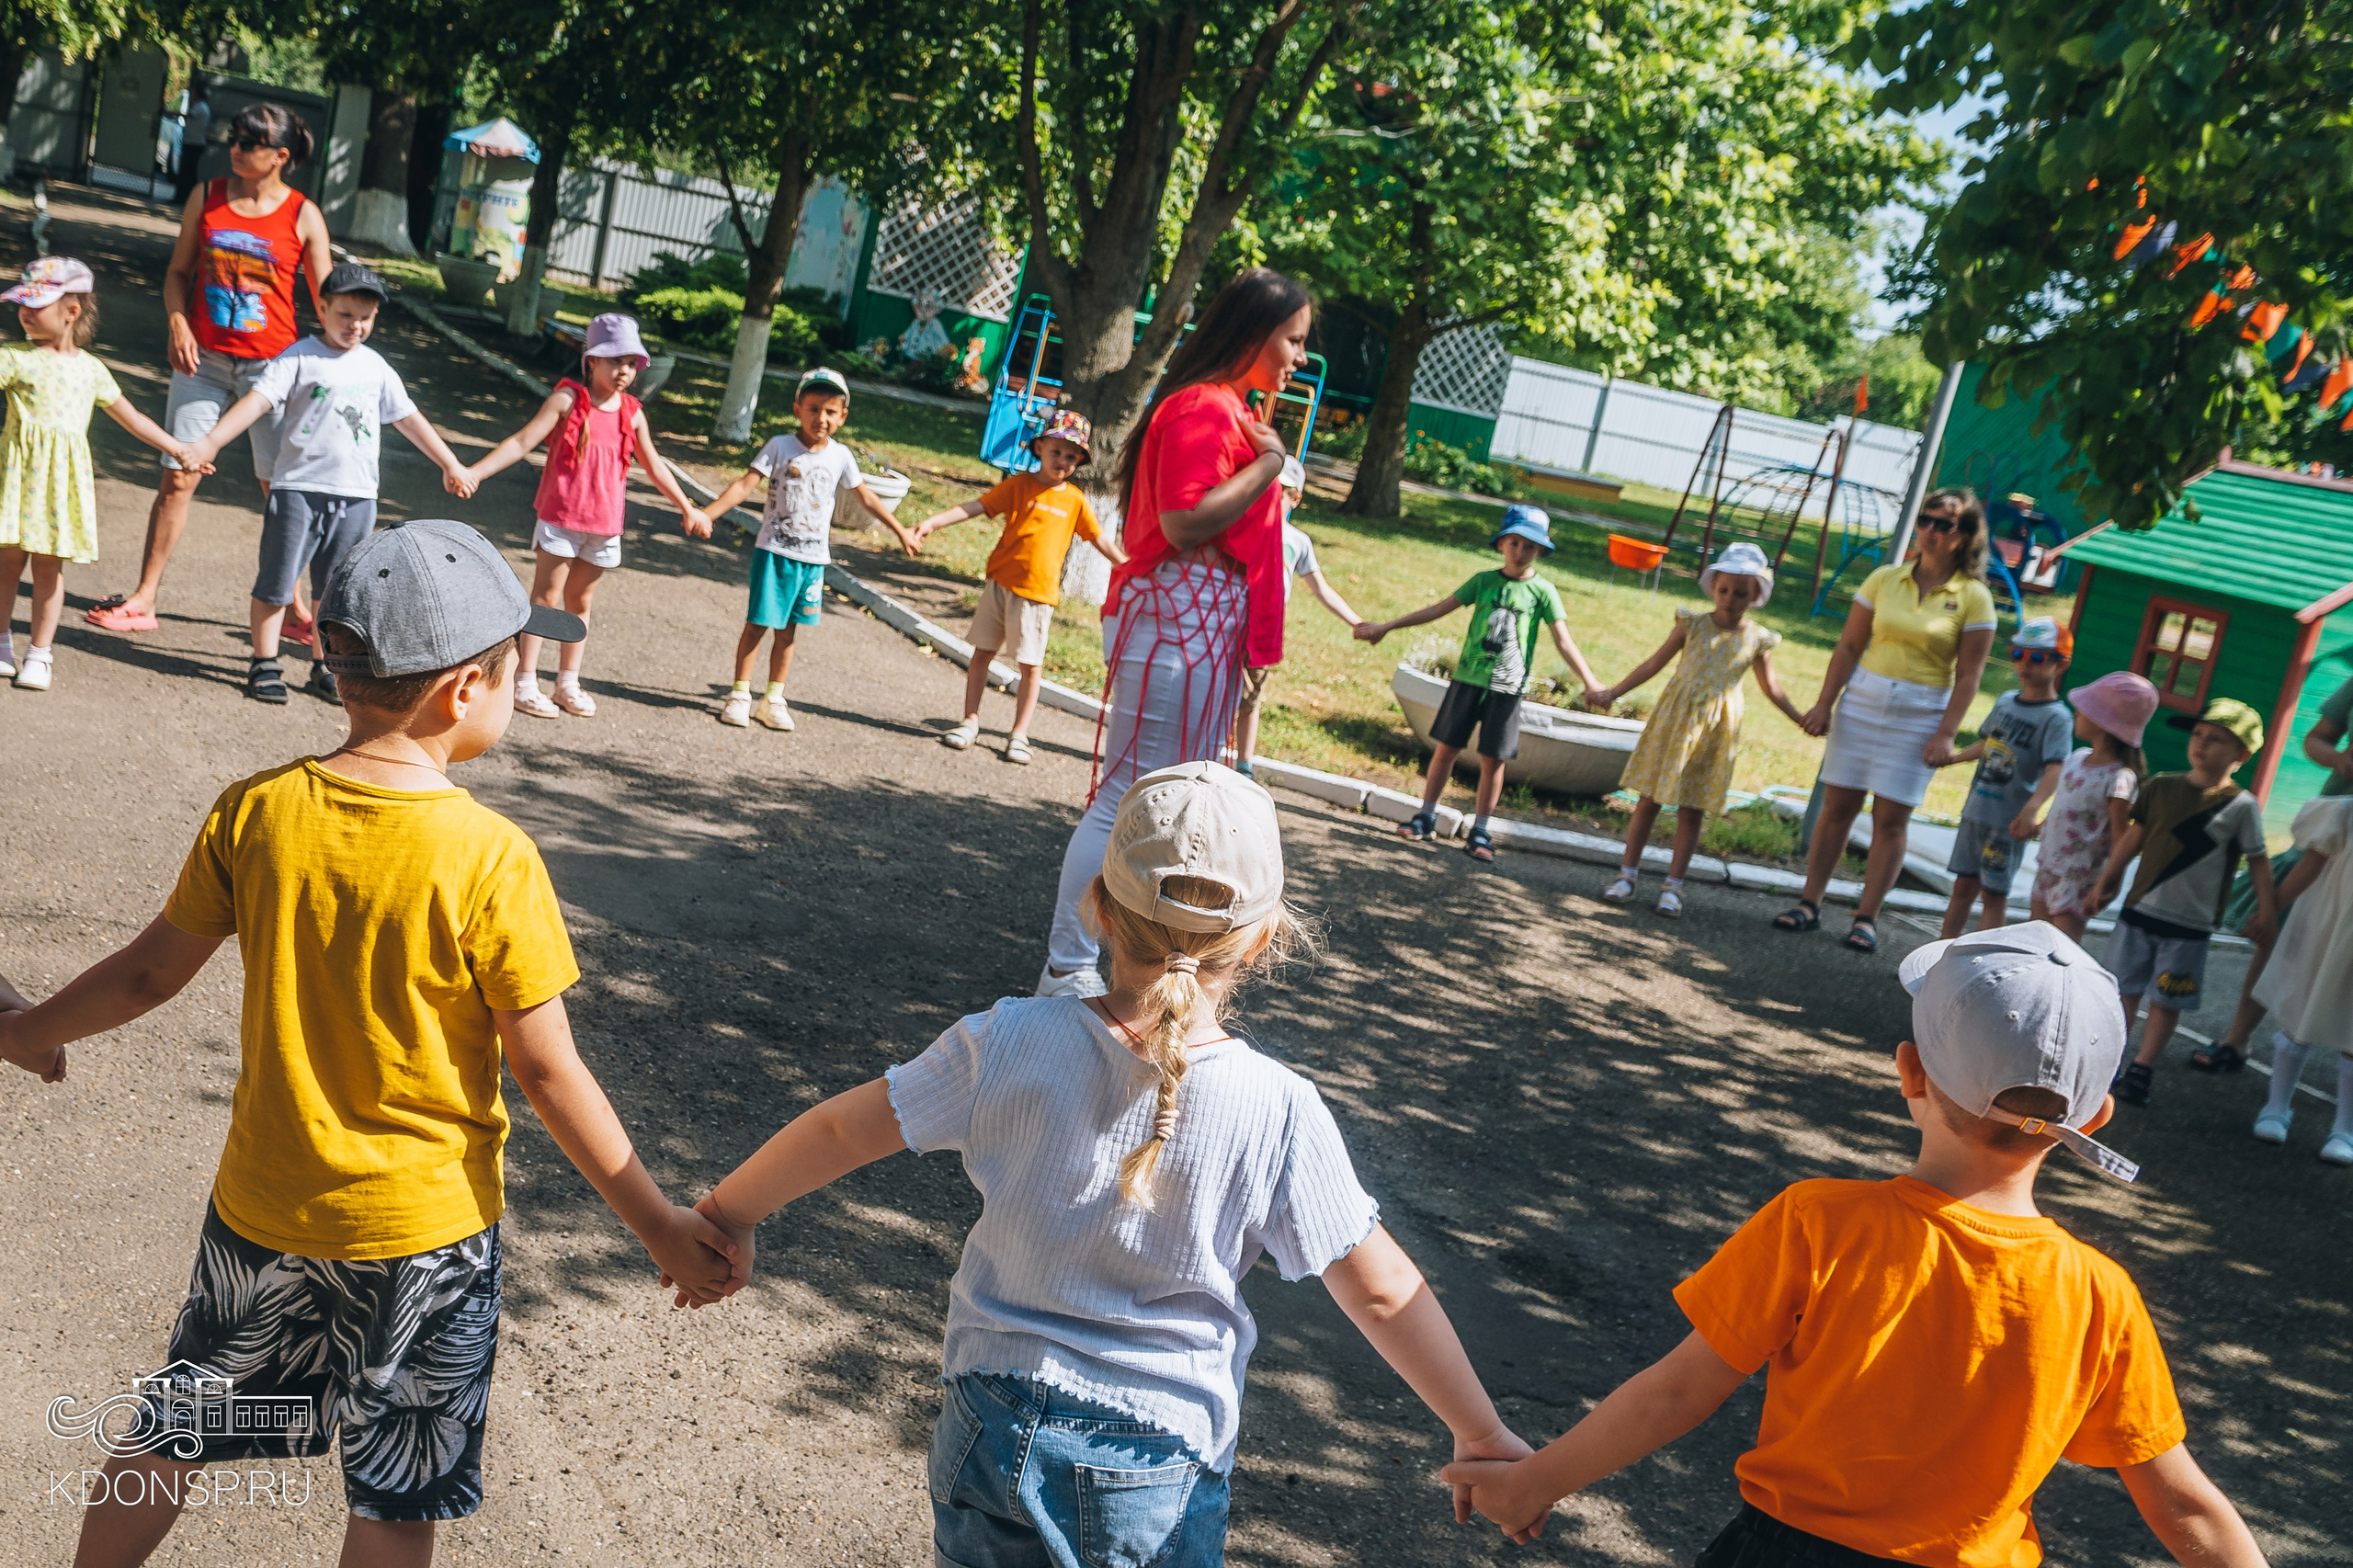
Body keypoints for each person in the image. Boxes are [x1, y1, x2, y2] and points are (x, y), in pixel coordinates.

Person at [0, 520, 738, 1568]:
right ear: (463, 690)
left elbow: (145, 972)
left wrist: (27, 1031)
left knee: (180, 1425)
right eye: (514, 661)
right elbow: (544, 1067)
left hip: (266, 1209)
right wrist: (659, 1222)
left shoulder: (257, 812)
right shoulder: (492, 859)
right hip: (425, 1241)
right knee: (396, 1497)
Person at [689, 762, 1531, 1563]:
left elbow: (842, 1133)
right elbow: (1382, 1291)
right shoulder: (1278, 1108)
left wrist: (727, 1214)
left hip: (988, 1417)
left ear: (1096, 904)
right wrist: (1483, 1434)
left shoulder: (1007, 1040)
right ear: (1266, 938)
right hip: (1151, 1459)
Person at [1443, 922, 2268, 1568]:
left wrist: (1531, 1485)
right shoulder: (2101, 1296)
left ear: (1910, 1072)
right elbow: (2181, 1502)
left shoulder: (1819, 1223)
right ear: (2092, 1121)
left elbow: (1677, 1393)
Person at [1038, 268, 1313, 998]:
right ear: (1253, 333)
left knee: (1158, 796)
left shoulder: (1226, 408)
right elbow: (1187, 522)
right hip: (1179, 622)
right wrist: (1273, 464)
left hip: (1192, 624)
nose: (1297, 357)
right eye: (1292, 339)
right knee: (1130, 794)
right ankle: (1068, 965)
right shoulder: (1205, 408)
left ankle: (1130, 959)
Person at [183, 262, 477, 706]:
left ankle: (324, 665)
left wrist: (451, 463)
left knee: (336, 589)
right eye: (345, 315)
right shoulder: (300, 357)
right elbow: (257, 402)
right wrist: (210, 442)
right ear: (322, 309)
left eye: (366, 317)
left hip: (357, 497)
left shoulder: (376, 367)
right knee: (277, 582)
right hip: (298, 488)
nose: (355, 326)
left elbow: (409, 419)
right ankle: (264, 662)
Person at [90, 101, 333, 636]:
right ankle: (145, 598)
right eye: (235, 138)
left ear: (281, 156)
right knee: (177, 477)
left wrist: (340, 365)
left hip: (273, 373)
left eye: (250, 142)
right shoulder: (208, 196)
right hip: (202, 363)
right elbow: (178, 273)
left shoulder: (302, 214)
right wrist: (178, 322)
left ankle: (293, 610)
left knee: (280, 489)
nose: (237, 148)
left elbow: (327, 305)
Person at [1774, 487, 1998, 954]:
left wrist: (1946, 733)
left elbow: (1970, 673)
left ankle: (1866, 917)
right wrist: (1824, 703)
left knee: (1890, 818)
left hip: (1920, 711)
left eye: (1944, 524)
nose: (1931, 531)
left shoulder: (1974, 597)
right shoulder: (1884, 578)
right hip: (1864, 700)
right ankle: (1810, 901)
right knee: (1837, 806)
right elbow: (1849, 645)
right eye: (1925, 520)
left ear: (1964, 537)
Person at [461, 312, 712, 719]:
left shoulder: (632, 412)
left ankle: (567, 682)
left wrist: (688, 507)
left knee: (580, 601)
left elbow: (655, 466)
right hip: (561, 518)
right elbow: (523, 441)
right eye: (615, 361)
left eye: (631, 363)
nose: (624, 371)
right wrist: (476, 471)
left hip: (603, 525)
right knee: (545, 597)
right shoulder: (567, 400)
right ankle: (524, 681)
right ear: (591, 359)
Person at [1356, 506, 1603, 863]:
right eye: (1515, 542)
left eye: (1530, 547)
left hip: (1507, 689)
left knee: (1493, 759)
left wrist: (1590, 681)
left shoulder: (1543, 592)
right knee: (1447, 748)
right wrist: (1386, 626)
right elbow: (1438, 609)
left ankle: (1481, 828)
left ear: (1541, 552)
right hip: (1468, 681)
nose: (1521, 552)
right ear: (1502, 543)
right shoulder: (1483, 582)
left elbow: (1564, 640)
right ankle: (1426, 815)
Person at [0, 258, 203, 693]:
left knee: (49, 572)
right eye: (23, 304)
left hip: (57, 490)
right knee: (7, 566)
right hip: (16, 484)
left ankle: (39, 652)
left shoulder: (91, 370)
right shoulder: (14, 359)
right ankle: (2, 645)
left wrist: (179, 449)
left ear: (71, 312)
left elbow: (134, 419)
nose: (25, 313)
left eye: (37, 305)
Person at [1590, 540, 1803, 916]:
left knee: (1692, 807)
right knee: (1649, 798)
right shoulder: (1692, 625)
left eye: (1741, 593)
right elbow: (1653, 664)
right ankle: (1627, 874)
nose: (1730, 599)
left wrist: (1800, 718)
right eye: (1724, 590)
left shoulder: (1756, 639)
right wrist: (1614, 692)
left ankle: (1674, 885)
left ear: (1755, 596)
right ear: (1712, 587)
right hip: (1675, 720)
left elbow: (1772, 688)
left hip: (1715, 729)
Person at [705, 367, 917, 732]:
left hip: (812, 561)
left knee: (789, 631)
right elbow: (745, 485)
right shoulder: (779, 446)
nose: (821, 418)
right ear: (797, 409)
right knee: (758, 625)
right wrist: (706, 513)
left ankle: (773, 698)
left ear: (842, 417)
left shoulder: (841, 456)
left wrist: (900, 531)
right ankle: (739, 694)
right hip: (773, 552)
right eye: (814, 408)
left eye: (830, 411)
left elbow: (864, 496)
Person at [912, 407, 1128, 764]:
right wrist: (934, 522)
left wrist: (1128, 567)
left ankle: (1019, 734)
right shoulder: (1018, 486)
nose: (1062, 460)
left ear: (1079, 461)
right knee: (981, 654)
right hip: (999, 586)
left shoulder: (1074, 500)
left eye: (1071, 456)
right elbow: (977, 506)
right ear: (1039, 447)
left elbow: (1099, 539)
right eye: (1056, 450)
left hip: (1038, 597)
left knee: (1030, 666)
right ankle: (969, 721)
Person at [2095, 698, 2277, 1108]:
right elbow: (2133, 838)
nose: (2201, 744)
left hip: (2190, 926)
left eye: (2216, 739)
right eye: (2197, 735)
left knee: (2165, 999)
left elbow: (2260, 862)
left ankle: (2142, 1069)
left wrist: (2266, 911)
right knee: (2123, 992)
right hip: (2139, 911)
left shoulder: (2242, 807)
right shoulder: (2159, 786)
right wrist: (2106, 880)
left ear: (2242, 755)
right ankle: (2109, 1063)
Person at [2192, 669, 2353, 1073]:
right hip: (2332, 825)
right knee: (2280, 932)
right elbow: (2316, 740)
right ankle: (2237, 1040)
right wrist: (2339, 760)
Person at [1938, 616, 2076, 937]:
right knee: (1962, 887)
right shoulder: (2004, 702)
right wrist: (1955, 759)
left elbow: (2056, 768)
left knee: (1993, 894)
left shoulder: (2056, 718)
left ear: (2061, 664)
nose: (2025, 664)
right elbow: (1989, 743)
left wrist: (2031, 809)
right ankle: (1939, 956)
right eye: (2019, 654)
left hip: (2008, 821)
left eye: (2038, 658)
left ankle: (1987, 962)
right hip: (1976, 811)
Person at [1231, 455, 1364, 778]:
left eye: (1281, 492)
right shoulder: (1239, 525)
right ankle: (1206, 752)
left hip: (1263, 628)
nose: (1271, 498)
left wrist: (1357, 622)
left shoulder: (1297, 541)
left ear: (1296, 498)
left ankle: (1244, 765)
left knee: (1251, 696)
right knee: (1216, 688)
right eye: (1267, 489)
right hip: (1228, 618)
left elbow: (1322, 589)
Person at [2246, 793, 2353, 1161]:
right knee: (2300, 1007)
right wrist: (2269, 910)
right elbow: (2310, 865)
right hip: (2326, 927)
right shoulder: (2342, 812)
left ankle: (2345, 1129)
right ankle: (2276, 1108)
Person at [2029, 670, 2154, 941]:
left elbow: (2121, 838)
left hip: (2079, 879)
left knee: (2062, 953)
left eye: (2085, 708)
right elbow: (2070, 810)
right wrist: (2041, 826)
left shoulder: (2120, 777)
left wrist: (2107, 883)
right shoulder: (2076, 758)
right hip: (2049, 867)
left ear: (2105, 721)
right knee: (2033, 943)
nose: (2076, 712)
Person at [172, 81, 210, 207]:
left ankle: (184, 197)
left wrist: (171, 112)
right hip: (192, 142)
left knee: (188, 172)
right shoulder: (199, 105)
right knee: (186, 171)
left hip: (194, 144)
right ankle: (182, 196)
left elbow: (189, 115)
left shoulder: (201, 107)